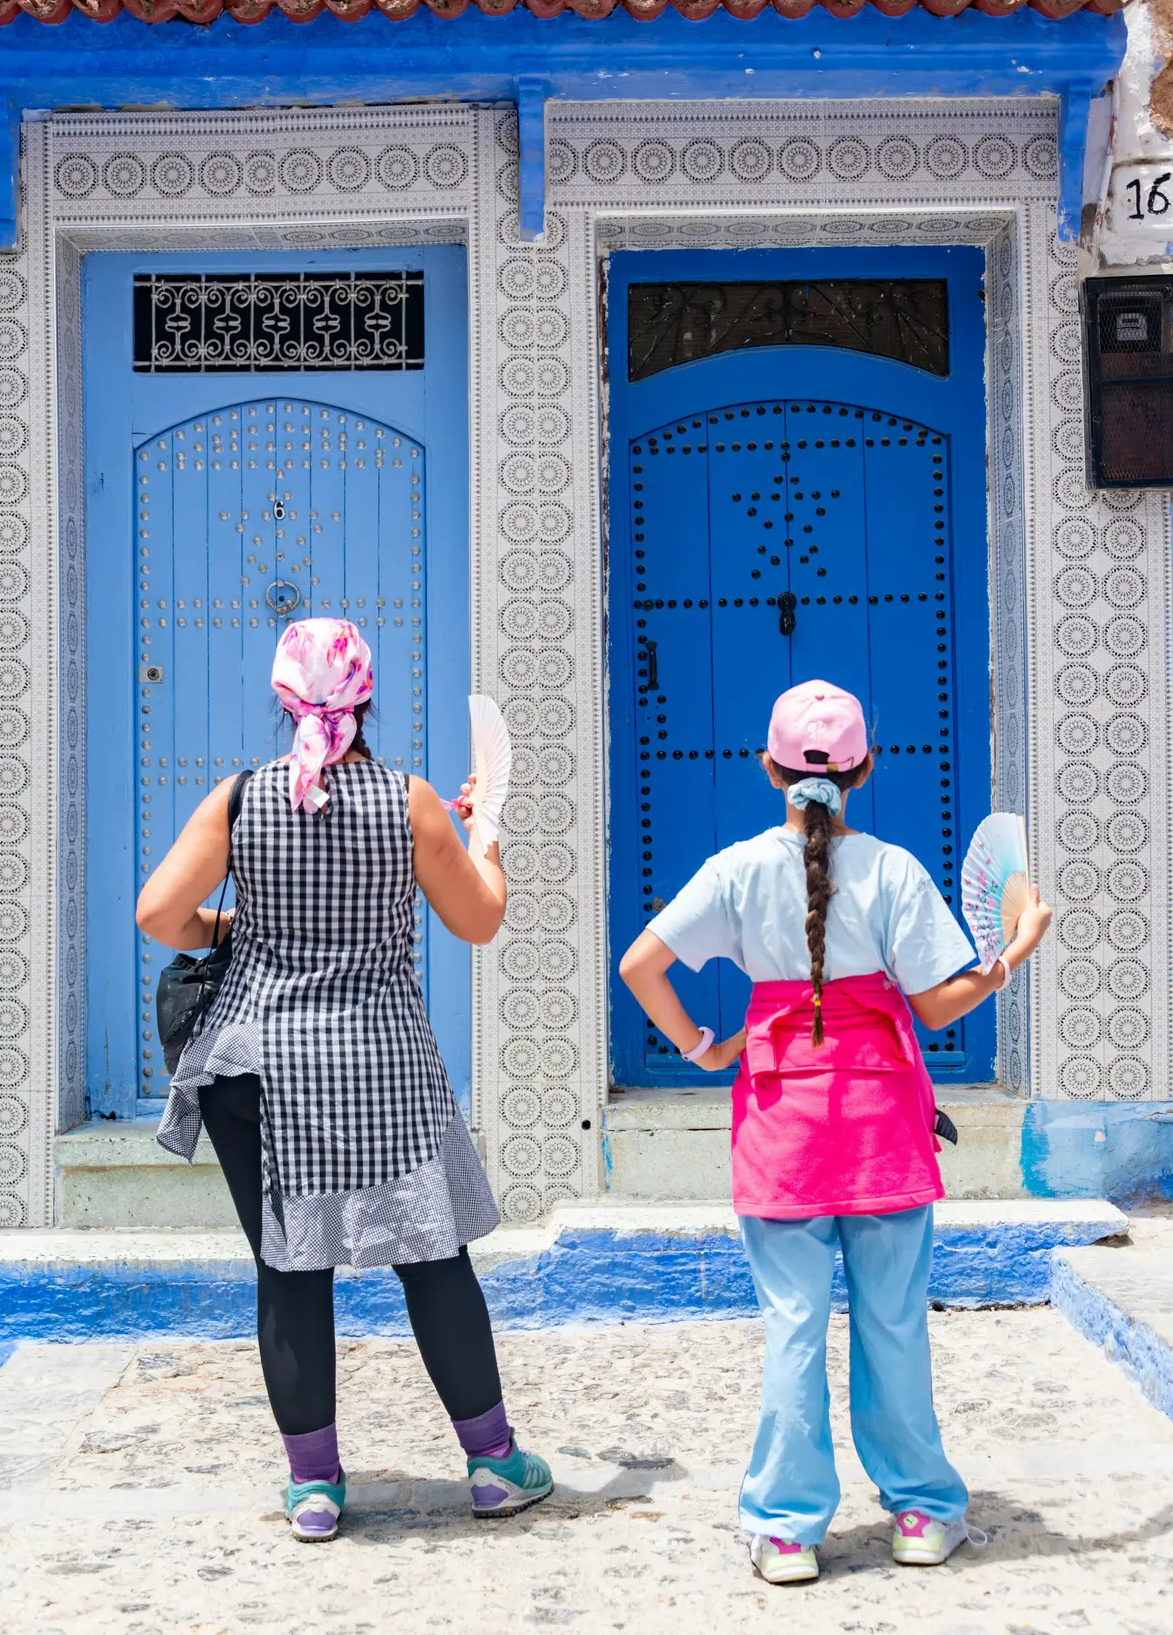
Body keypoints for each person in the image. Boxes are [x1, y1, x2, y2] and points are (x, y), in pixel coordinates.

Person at [619, 679, 1051, 1586]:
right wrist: (1013, 951)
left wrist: (703, 1047)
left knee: (791, 1324)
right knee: (894, 1322)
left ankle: (785, 1531)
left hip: (781, 1116)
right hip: (881, 1118)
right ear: (865, 768)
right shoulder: (893, 870)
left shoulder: (737, 868)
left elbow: (640, 964)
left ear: (768, 767)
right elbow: (936, 1005)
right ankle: (923, 1514)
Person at [138, 617, 552, 1541]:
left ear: (284, 699)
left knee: (288, 1269)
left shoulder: (241, 800)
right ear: (365, 699)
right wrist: (485, 834)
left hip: (258, 1066)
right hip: (381, 1063)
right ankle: (492, 1466)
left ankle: (316, 1488)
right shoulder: (409, 802)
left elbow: (159, 913)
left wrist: (234, 929)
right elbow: (479, 923)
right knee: (432, 1257)